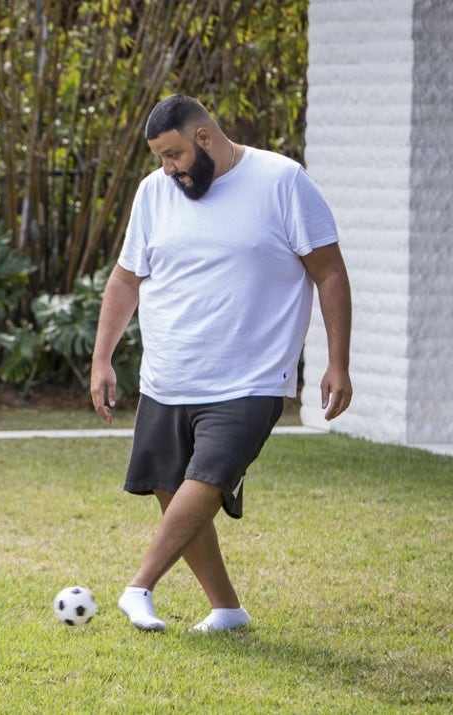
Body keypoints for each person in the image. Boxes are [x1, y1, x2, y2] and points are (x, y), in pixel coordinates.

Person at [90, 94, 352, 633]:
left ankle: (138, 586)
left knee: (207, 479)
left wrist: (337, 361)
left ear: (204, 138)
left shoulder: (282, 181)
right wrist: (102, 359)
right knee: (173, 485)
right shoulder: (154, 192)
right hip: (169, 374)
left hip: (252, 378)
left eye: (175, 155)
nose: (169, 169)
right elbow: (125, 279)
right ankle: (227, 609)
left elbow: (329, 271)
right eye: (160, 158)